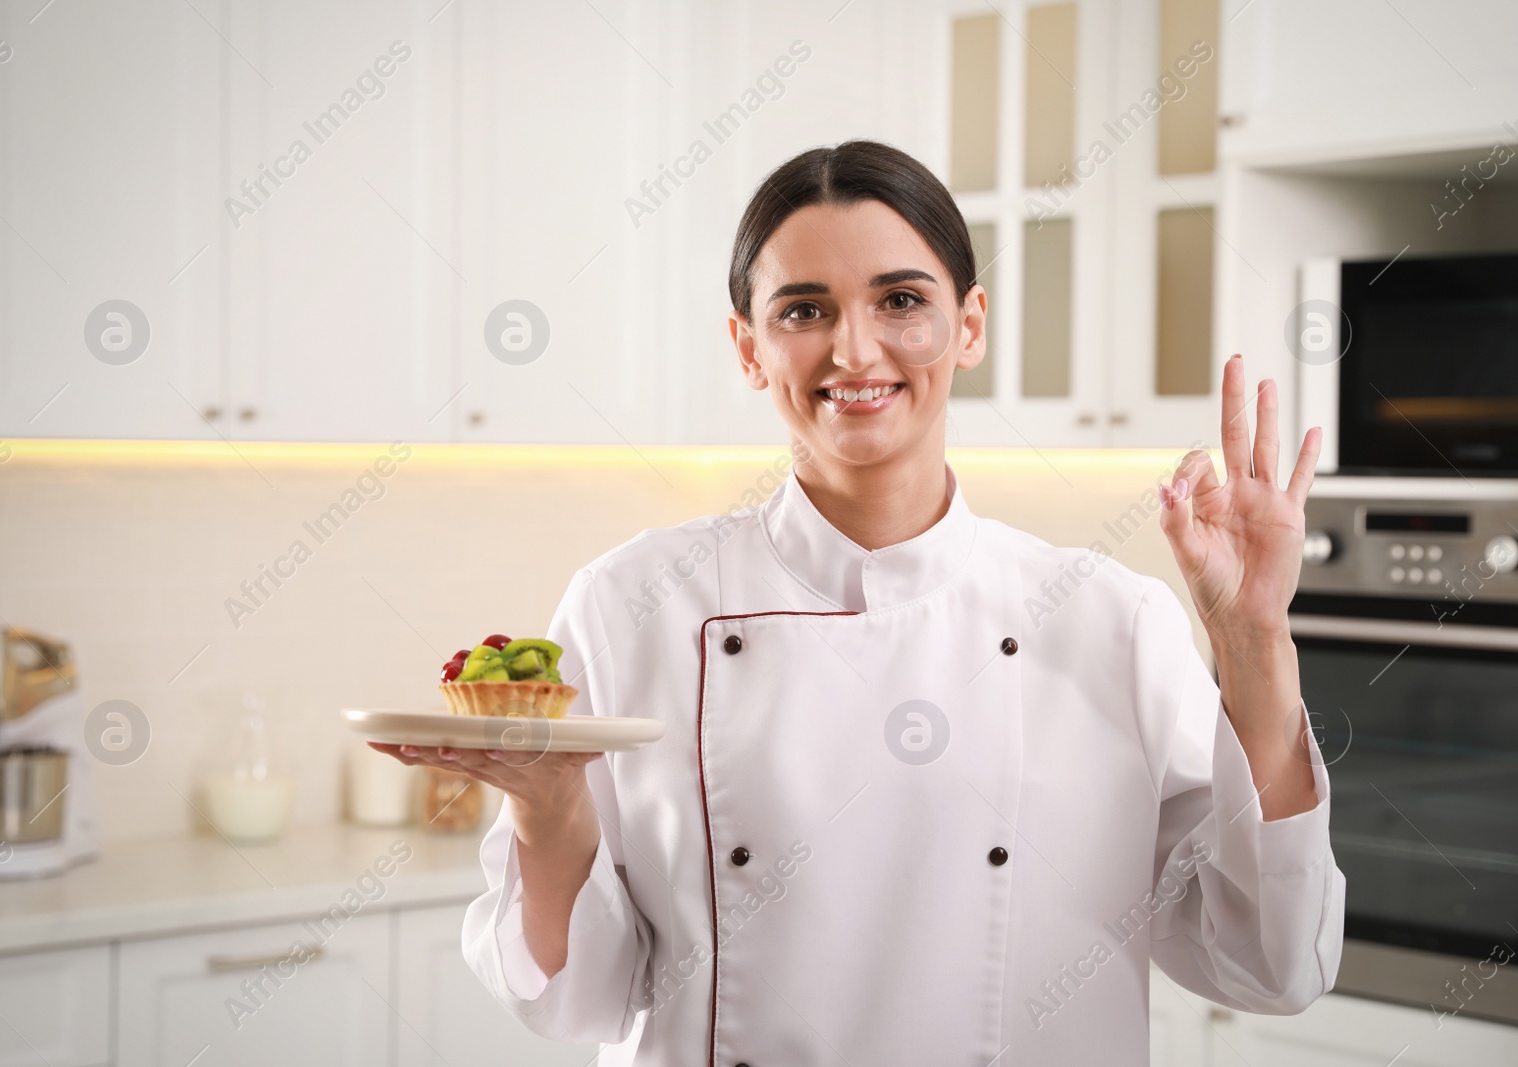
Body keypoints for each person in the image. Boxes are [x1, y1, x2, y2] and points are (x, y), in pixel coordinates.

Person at [373, 139, 1343, 1065]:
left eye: (900, 299)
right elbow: (574, 993)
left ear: (968, 325)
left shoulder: (1109, 620)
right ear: (747, 346)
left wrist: (1254, 643)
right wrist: (549, 811)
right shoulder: (632, 602)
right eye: (802, 310)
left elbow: (1270, 962)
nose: (855, 347)